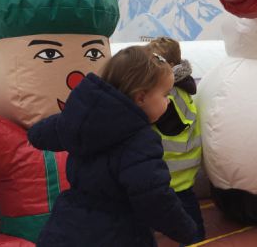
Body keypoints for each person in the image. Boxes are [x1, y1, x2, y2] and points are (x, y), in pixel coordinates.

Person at [27, 46, 198, 246]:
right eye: (165, 94)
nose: (168, 101)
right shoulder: (140, 140)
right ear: (141, 97)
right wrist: (186, 229)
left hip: (66, 227)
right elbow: (154, 198)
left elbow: (38, 135)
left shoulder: (80, 120)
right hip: (117, 233)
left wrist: (69, 118)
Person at [147, 37, 205, 242]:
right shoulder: (180, 87)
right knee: (184, 205)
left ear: (169, 66)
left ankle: (195, 238)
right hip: (179, 168)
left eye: (153, 64)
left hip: (173, 170)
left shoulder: (169, 95)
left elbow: (154, 118)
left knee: (183, 208)